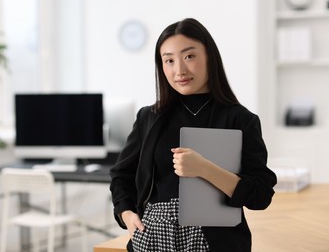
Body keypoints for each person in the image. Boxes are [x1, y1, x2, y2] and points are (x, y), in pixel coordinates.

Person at [109, 18, 277, 252]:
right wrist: (126, 213)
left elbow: (260, 196)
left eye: (189, 56)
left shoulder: (240, 119)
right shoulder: (148, 117)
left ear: (210, 56)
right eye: (169, 60)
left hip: (216, 243)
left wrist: (204, 169)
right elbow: (121, 175)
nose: (180, 70)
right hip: (152, 240)